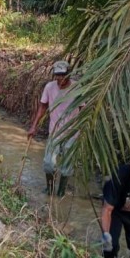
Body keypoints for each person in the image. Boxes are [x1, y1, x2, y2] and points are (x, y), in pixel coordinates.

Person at [26, 60, 79, 196]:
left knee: (67, 168)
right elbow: (43, 106)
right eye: (58, 75)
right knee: (49, 164)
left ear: (69, 74)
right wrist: (33, 126)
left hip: (72, 133)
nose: (60, 78)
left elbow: (83, 108)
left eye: (63, 75)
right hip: (54, 132)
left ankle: (61, 193)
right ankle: (50, 189)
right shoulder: (50, 87)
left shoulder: (77, 87)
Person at [101, 150, 130, 258]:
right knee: (111, 246)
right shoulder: (119, 175)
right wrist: (105, 234)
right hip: (116, 211)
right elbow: (107, 209)